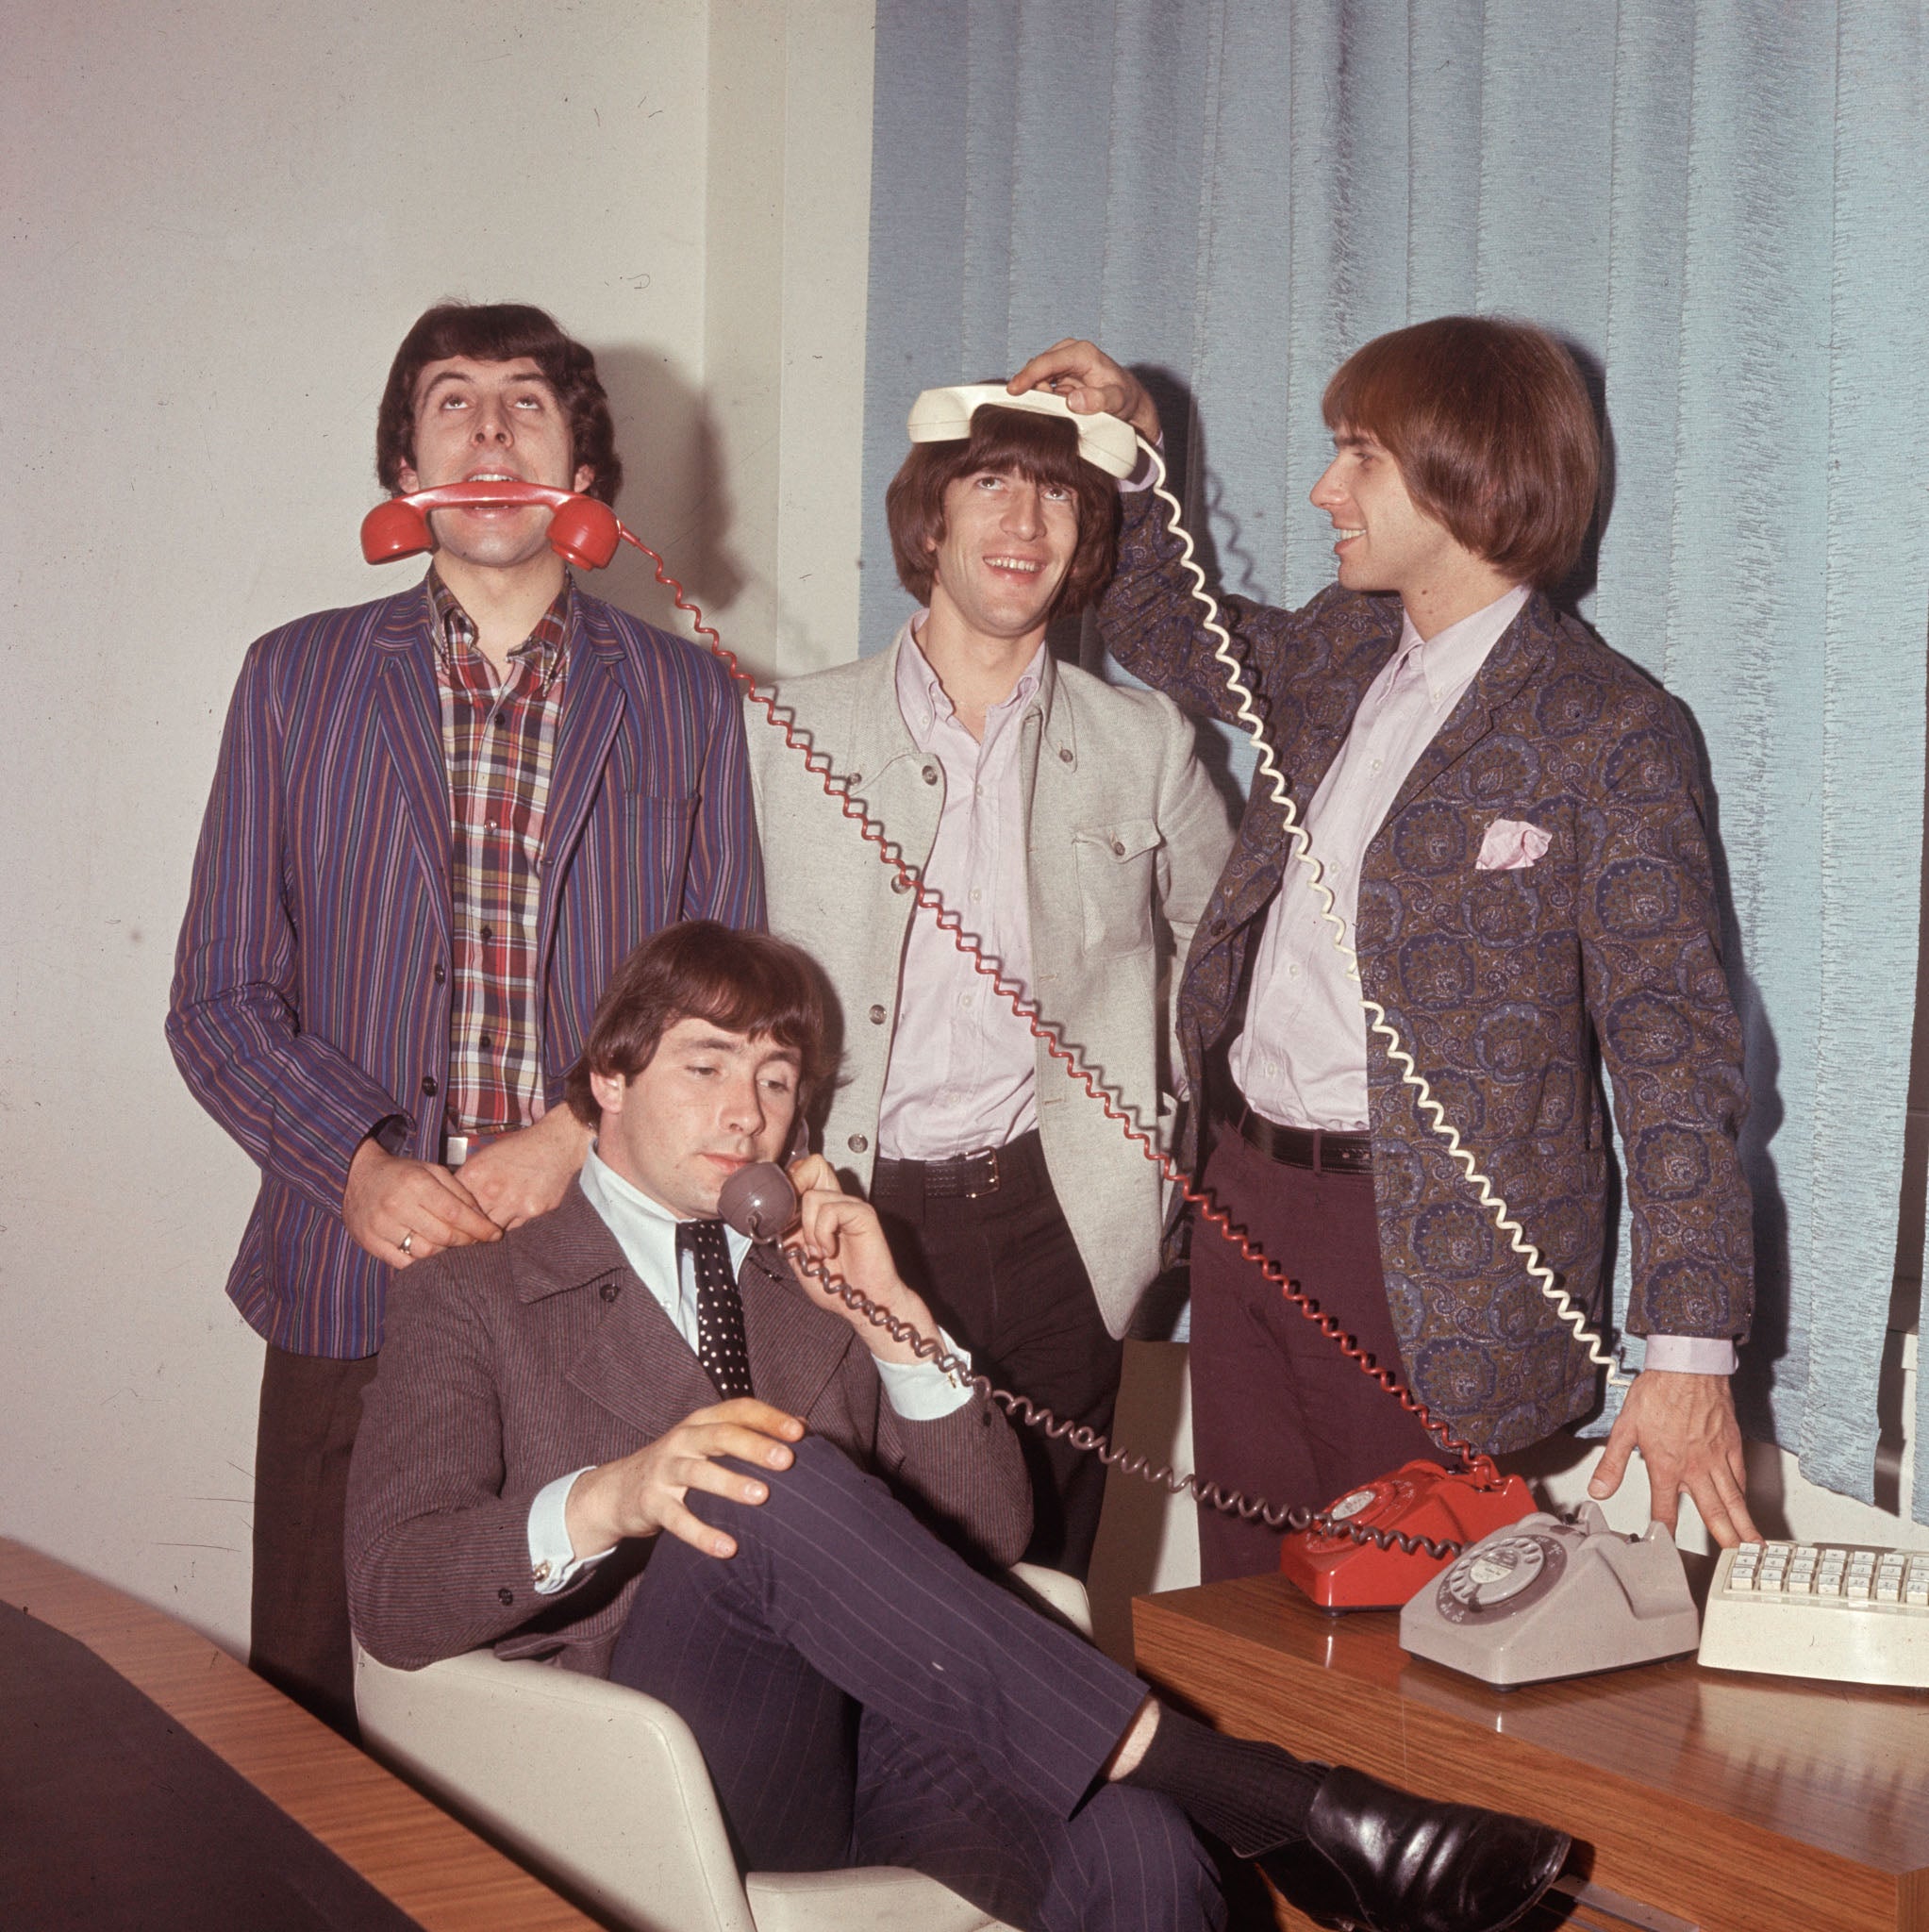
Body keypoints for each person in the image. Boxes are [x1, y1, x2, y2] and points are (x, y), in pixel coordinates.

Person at [346, 920, 1574, 1932]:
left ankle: (1224, 1799)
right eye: (706, 1065)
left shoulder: (810, 1279)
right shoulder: (476, 1293)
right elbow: (392, 1588)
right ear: (607, 1082)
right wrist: (615, 1495)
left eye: (779, 1082)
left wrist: (896, 1327)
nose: (746, 1112)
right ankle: (1274, 1796)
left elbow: (989, 1538)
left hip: (890, 1743)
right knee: (743, 1469)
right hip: (652, 1757)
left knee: (1139, 1847)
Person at [1008, 321, 1760, 1580]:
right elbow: (1159, 615)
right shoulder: (1335, 649)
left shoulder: (1611, 730)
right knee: (1252, 1608)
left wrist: (1686, 1356)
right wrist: (1129, 453)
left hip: (1432, 1258)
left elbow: (1675, 1051)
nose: (1324, 491)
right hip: (1249, 1202)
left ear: (1469, 475)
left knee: (1406, 1647)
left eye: (1359, 456)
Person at [167, 302, 763, 1732]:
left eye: (528, 405)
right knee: (319, 1695)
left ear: (585, 472)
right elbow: (217, 998)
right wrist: (359, 1165)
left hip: (593, 1273)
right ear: (403, 458)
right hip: (350, 1269)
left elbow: (722, 1003)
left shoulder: (688, 695)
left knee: (583, 1699)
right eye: (452, 402)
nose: (491, 434)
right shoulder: (294, 679)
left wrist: (572, 1134)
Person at [743, 396, 1234, 1574]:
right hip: (850, 1208)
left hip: (1061, 1222)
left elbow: (1223, 947)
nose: (1025, 520)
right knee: (858, 1567)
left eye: (1059, 492)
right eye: (991, 484)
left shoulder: (1145, 740)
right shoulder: (782, 729)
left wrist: (1161, 1131)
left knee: (1044, 1571)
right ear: (929, 520)